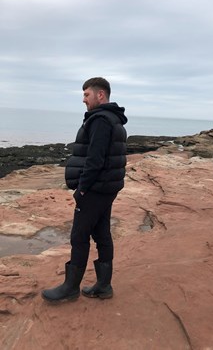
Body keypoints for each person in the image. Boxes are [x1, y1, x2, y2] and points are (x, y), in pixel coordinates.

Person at [42, 77, 127, 302]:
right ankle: (103, 286)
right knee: (101, 234)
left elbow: (95, 160)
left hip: (96, 189)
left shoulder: (100, 120)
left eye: (86, 95)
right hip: (106, 188)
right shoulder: (113, 119)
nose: (83, 99)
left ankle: (70, 288)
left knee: (79, 236)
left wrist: (81, 189)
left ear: (100, 95)